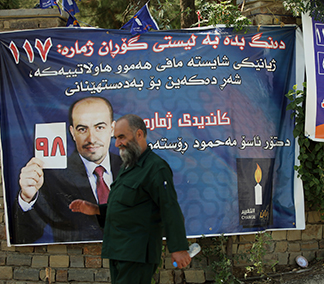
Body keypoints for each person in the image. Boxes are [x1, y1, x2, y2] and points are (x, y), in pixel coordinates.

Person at [69, 114, 191, 283]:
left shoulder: (155, 168)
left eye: (121, 137)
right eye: (116, 138)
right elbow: (128, 207)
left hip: (137, 254)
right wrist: (96, 209)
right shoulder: (129, 167)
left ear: (139, 134)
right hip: (119, 251)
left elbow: (169, 207)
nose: (117, 143)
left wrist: (178, 248)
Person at [12, 96, 122, 244]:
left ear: (112, 129)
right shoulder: (52, 175)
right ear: (72, 133)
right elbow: (26, 237)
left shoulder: (132, 167)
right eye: (82, 129)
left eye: (100, 127)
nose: (91, 138)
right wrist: (27, 198)